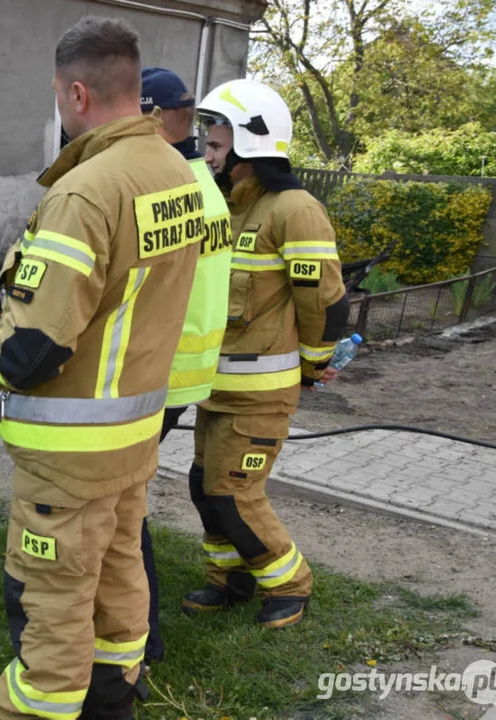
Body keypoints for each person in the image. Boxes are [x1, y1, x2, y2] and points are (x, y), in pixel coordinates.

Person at [0, 19, 204, 720]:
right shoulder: (175, 172)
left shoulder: (83, 194)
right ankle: (112, 699)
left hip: (68, 456)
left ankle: (34, 709)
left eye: (57, 97)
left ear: (75, 92)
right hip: (133, 437)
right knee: (116, 576)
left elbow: (32, 350)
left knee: (51, 598)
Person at [182, 78, 349, 629]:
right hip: (216, 388)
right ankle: (228, 578)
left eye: (215, 146)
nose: (205, 155)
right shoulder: (226, 208)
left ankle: (290, 585)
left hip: (260, 394)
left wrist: (316, 364)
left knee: (233, 494)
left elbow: (323, 301)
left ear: (251, 144)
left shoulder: (295, 210)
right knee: (203, 487)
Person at [137, 67, 232, 664]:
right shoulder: (203, 182)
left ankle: (140, 636)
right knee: (129, 497)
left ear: (153, 116)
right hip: (191, 369)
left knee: (122, 506)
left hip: (158, 371)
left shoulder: (166, 186)